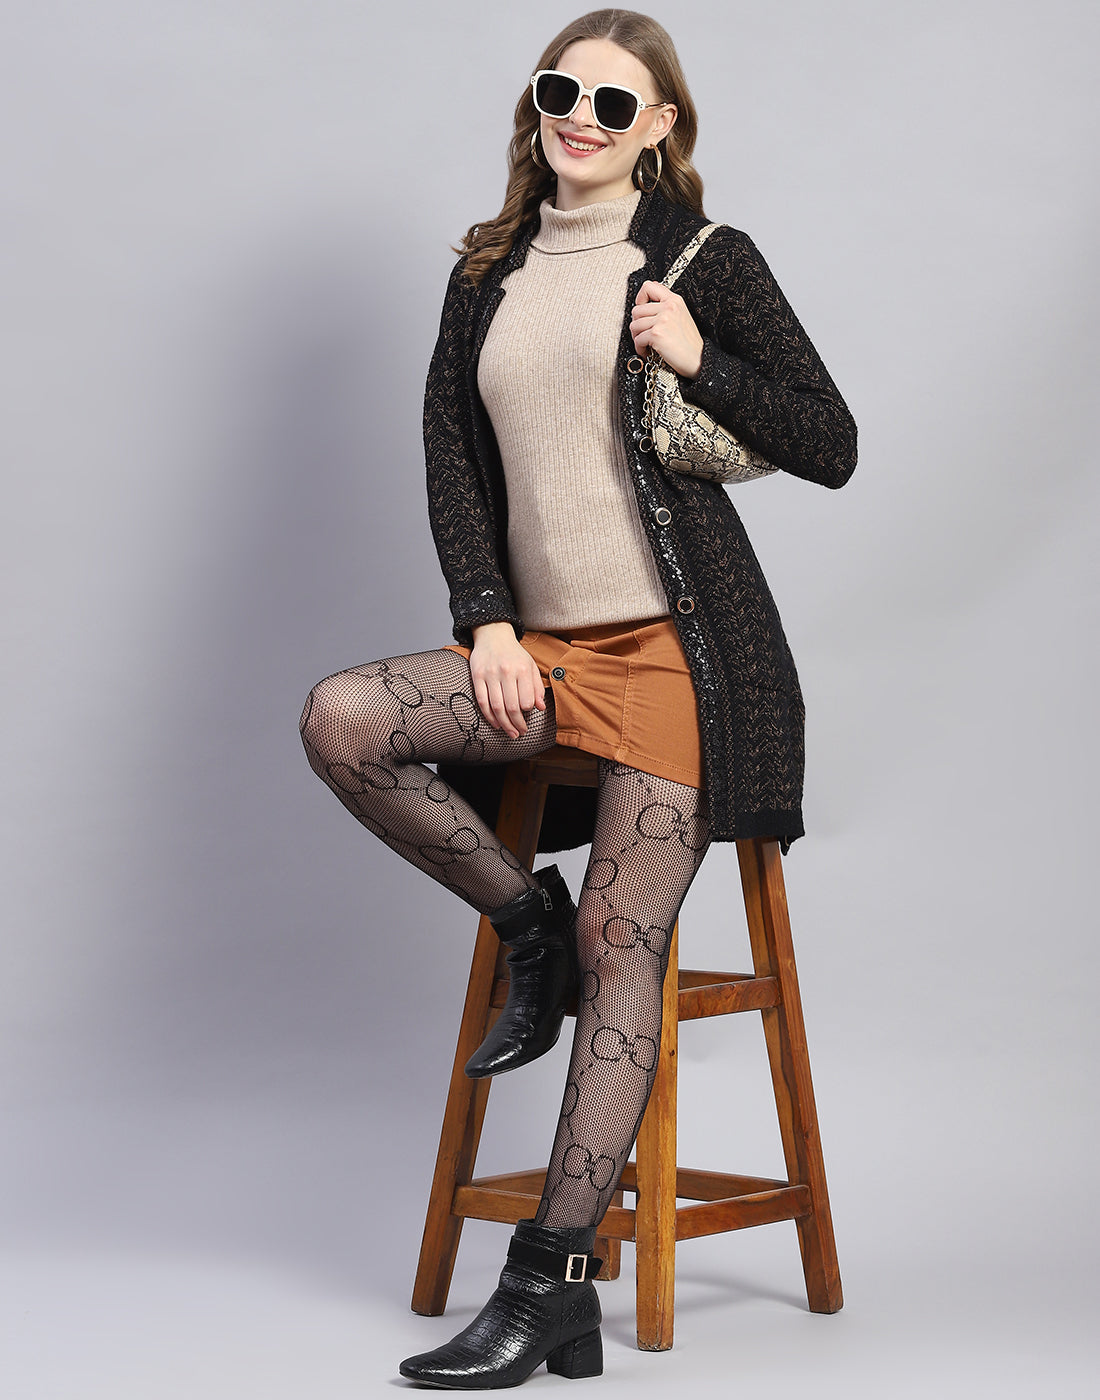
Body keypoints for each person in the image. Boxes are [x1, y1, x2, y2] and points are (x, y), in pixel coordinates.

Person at [299, 7, 857, 1387]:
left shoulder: (703, 261)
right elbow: (452, 456)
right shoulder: (486, 271)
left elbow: (830, 441)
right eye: (563, 91)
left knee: (628, 946)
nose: (582, 120)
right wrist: (487, 624)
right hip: (540, 655)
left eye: (615, 104)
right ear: (536, 102)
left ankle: (548, 1281)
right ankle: (524, 921)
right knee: (346, 721)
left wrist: (698, 357)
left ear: (659, 127)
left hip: (681, 653)